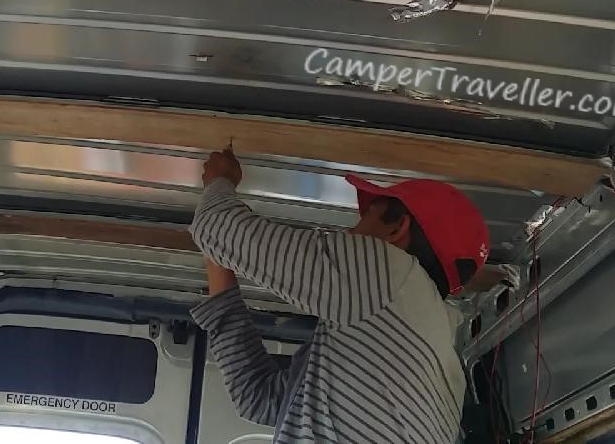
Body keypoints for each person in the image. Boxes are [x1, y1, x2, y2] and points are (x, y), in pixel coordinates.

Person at [189, 147, 490, 443]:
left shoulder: (391, 276)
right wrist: (218, 251)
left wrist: (220, 179)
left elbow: (215, 226)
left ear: (397, 229)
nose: (349, 233)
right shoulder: (440, 370)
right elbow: (261, 397)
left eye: (366, 217)